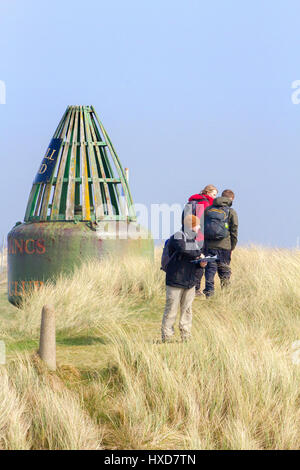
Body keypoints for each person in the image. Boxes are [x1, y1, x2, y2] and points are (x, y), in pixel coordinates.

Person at [161, 214, 207, 342]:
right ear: (191, 225)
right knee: (171, 310)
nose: (199, 227)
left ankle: (186, 337)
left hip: (189, 281)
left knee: (187, 311)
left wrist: (201, 263)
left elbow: (192, 257)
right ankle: (167, 337)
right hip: (175, 280)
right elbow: (184, 249)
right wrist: (199, 254)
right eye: (197, 224)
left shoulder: (195, 240)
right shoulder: (177, 236)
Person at [182, 184, 218, 296]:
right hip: (199, 237)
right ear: (207, 192)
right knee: (200, 262)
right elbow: (203, 222)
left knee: (189, 260)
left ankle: (187, 286)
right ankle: (196, 288)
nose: (215, 197)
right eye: (213, 194)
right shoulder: (205, 203)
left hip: (187, 235)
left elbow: (184, 219)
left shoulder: (190, 202)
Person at [203, 189, 238, 298]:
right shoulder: (231, 211)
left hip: (209, 246)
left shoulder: (208, 209)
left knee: (210, 270)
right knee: (224, 272)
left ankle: (209, 295)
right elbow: (234, 230)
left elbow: (203, 227)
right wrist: (232, 246)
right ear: (231, 199)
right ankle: (226, 296)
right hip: (225, 247)